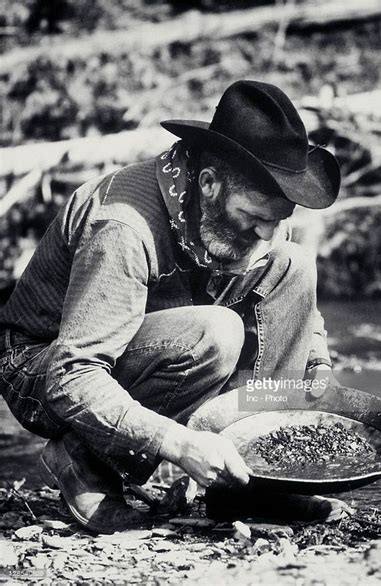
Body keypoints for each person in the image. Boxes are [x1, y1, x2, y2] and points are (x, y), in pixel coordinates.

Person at [0, 80, 340, 533]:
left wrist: (316, 364)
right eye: (255, 218)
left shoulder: (253, 219)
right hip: (43, 368)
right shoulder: (122, 227)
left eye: (277, 220)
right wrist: (179, 444)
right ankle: (86, 458)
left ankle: (254, 484)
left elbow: (299, 309)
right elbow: (72, 374)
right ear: (209, 184)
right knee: (216, 334)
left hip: (135, 340)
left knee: (294, 264)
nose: (265, 232)